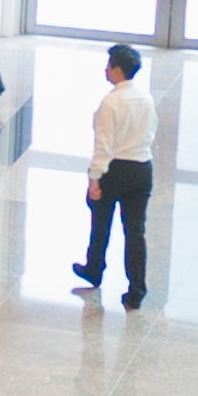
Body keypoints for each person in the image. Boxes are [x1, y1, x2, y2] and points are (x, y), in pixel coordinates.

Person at [78, 41, 155, 310]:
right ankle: (136, 289)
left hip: (114, 169)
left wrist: (94, 178)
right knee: (135, 230)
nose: (106, 69)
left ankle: (94, 268)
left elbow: (103, 145)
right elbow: (151, 132)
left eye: (109, 65)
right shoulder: (146, 98)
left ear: (118, 70)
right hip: (142, 168)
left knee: (101, 223)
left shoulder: (110, 103)